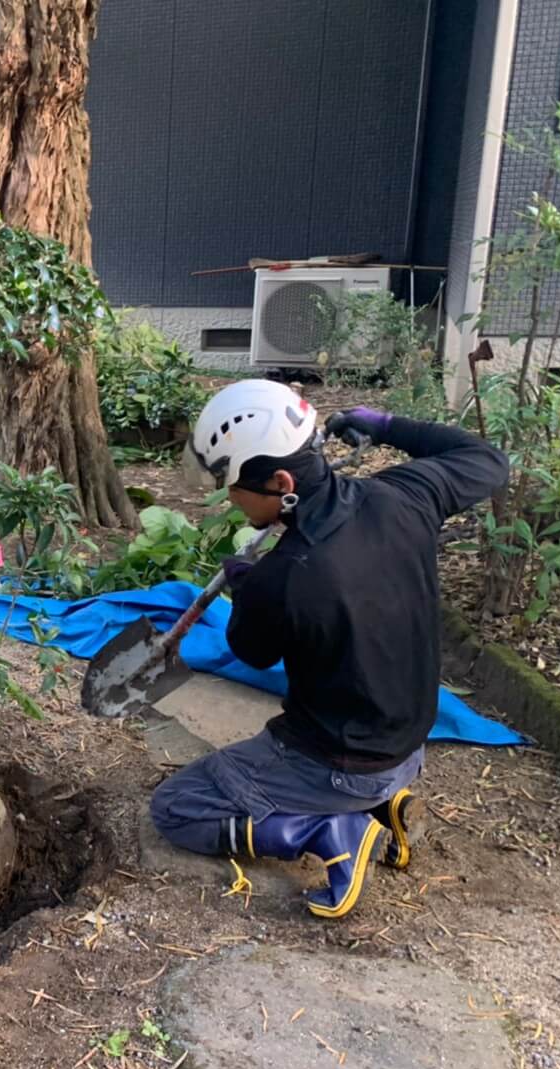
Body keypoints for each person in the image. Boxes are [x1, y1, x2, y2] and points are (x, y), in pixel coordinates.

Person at [149, 379, 509, 918]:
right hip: (408, 746)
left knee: (175, 808)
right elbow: (487, 460)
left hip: (338, 762)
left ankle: (328, 829)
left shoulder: (284, 575)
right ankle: (380, 808)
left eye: (231, 483)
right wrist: (389, 428)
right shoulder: (405, 495)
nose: (228, 497)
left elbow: (250, 653)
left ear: (281, 481)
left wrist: (248, 591)